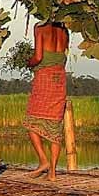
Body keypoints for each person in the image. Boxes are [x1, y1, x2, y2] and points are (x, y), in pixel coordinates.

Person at [24, 22, 69, 181]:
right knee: (55, 126)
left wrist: (28, 63)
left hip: (44, 78)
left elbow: (38, 57)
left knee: (31, 121)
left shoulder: (40, 28)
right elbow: (64, 56)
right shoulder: (64, 30)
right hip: (60, 81)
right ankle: (53, 173)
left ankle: (43, 161)